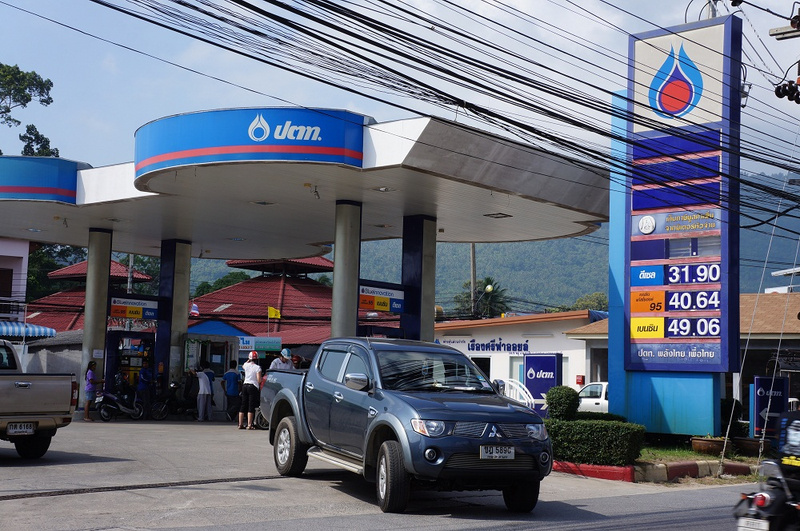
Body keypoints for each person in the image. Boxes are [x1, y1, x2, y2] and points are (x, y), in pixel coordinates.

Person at [239, 351, 262, 430]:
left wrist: (248, 360)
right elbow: (259, 380)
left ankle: (240, 424)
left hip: (245, 385)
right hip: (253, 386)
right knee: (251, 405)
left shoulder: (246, 365)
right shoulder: (257, 367)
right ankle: (249, 425)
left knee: (243, 405)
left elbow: (243, 365)